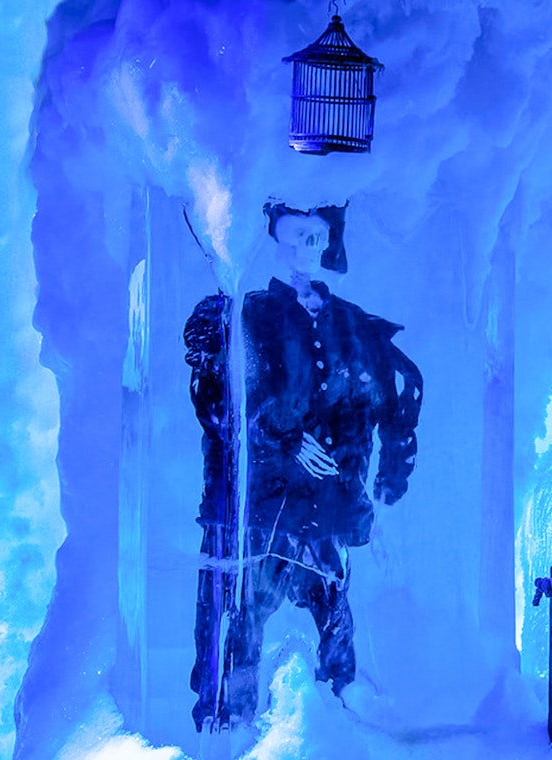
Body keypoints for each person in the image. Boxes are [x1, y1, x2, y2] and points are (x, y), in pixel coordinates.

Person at [184, 202, 423, 731]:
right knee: (241, 626)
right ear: (273, 236)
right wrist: (279, 435)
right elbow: (217, 403)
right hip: (260, 511)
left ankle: (345, 726)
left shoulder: (354, 325)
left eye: (317, 233)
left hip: (329, 510)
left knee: (335, 629)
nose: (308, 245)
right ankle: (232, 725)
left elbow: (396, 393)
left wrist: (390, 473)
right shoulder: (246, 316)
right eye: (296, 232)